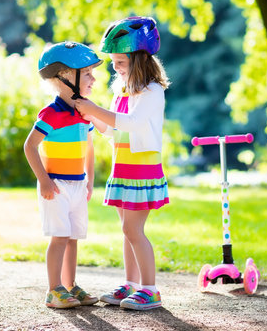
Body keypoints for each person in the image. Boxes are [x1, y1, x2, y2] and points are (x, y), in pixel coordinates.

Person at [74, 16, 170, 311]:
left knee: (133, 230)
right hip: (124, 166)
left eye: (121, 62)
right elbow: (116, 131)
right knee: (126, 231)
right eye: (114, 62)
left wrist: (95, 109)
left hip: (142, 168)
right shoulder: (122, 90)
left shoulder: (152, 91)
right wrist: (91, 117)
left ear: (140, 59)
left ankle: (150, 289)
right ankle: (132, 284)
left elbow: (134, 123)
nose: (116, 67)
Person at [24, 41, 103, 309]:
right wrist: (44, 180)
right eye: (88, 73)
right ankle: (53, 289)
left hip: (78, 185)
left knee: (72, 238)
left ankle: (70, 286)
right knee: (59, 237)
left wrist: (90, 179)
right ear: (67, 77)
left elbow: (90, 148)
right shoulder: (51, 113)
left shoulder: (85, 111)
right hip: (55, 185)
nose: (94, 78)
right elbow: (29, 146)